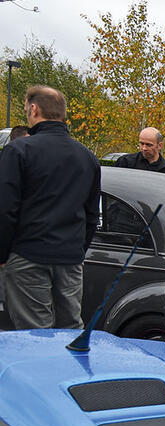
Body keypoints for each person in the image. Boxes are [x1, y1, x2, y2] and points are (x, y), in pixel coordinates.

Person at [0, 86, 100, 329]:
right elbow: (91, 215)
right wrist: (77, 249)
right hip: (70, 258)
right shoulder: (87, 157)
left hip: (28, 255)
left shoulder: (18, 151)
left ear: (34, 109)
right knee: (69, 330)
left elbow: (5, 209)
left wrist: (3, 254)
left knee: (35, 333)